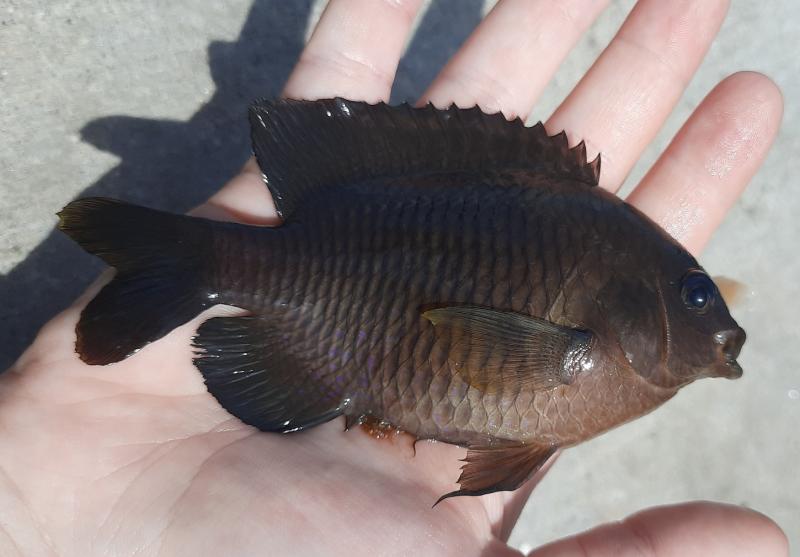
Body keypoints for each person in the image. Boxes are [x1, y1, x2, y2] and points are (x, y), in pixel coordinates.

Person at [0, 1, 788, 555]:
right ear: (630, 299)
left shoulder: (609, 333)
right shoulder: (596, 327)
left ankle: (192, 262)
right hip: (343, 266)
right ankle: (199, 263)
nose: (715, 322)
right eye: (693, 293)